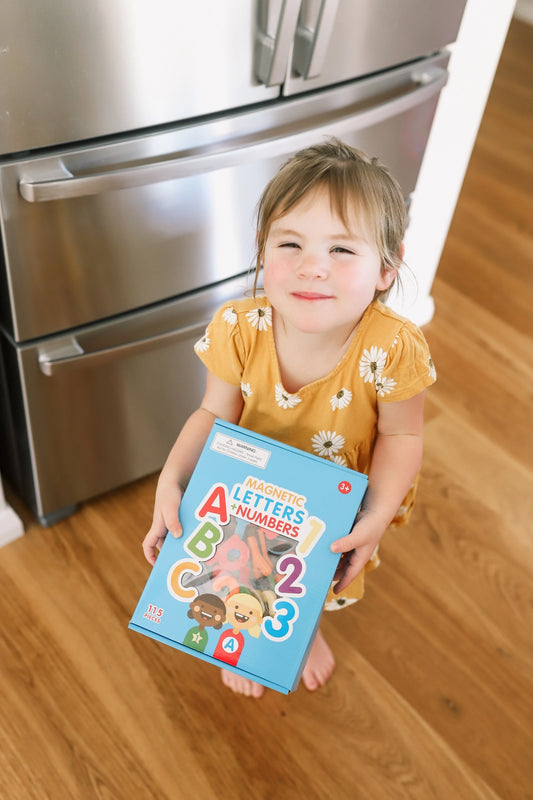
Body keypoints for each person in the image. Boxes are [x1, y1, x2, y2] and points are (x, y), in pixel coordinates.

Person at [142, 138, 436, 698]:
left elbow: (402, 433)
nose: (311, 267)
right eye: (291, 242)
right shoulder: (238, 326)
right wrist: (171, 477)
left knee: (310, 582)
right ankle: (243, 637)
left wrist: (375, 518)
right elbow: (211, 411)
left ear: (386, 268)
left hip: (338, 508)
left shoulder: (396, 347)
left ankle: (302, 633)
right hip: (246, 493)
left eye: (342, 251)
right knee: (240, 571)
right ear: (262, 249)